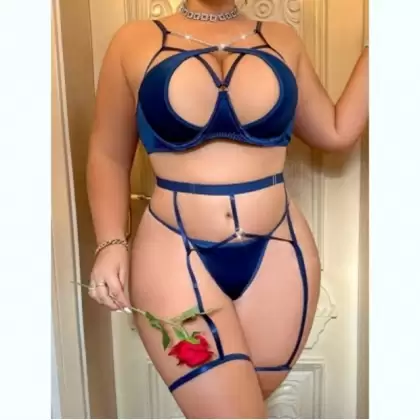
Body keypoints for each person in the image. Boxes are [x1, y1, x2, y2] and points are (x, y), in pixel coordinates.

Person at [86, 0, 368, 417]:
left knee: (246, 404)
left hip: (280, 253)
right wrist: (110, 241)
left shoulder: (283, 39)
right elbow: (108, 154)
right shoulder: (133, 41)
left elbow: (336, 132)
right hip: (173, 250)